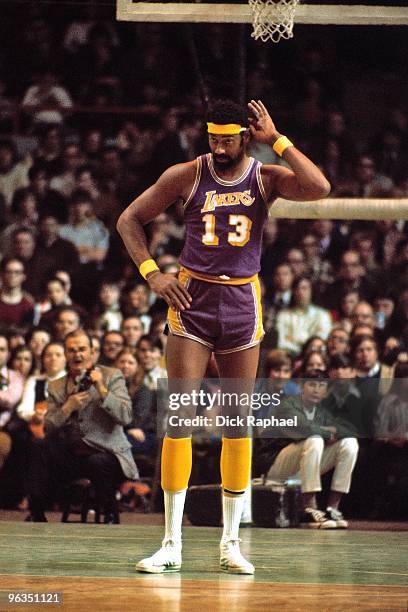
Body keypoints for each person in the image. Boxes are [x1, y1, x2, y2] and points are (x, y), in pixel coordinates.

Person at [117, 98, 330, 574]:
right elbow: (129, 219)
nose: (218, 146)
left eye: (227, 139)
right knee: (180, 417)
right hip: (192, 299)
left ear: (243, 136)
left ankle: (230, 543)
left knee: (238, 422)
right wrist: (153, 273)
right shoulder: (187, 174)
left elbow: (319, 186)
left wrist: (277, 139)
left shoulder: (265, 175)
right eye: (212, 138)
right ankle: (171, 542)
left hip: (240, 302)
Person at [26, 329, 138, 522]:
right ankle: (37, 513)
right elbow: (49, 427)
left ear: (92, 352)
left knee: (97, 462)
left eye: (82, 349)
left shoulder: (112, 376)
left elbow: (126, 417)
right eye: (71, 350)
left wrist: (102, 389)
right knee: (39, 447)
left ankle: (109, 510)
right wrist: (67, 408)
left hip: (108, 453)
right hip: (74, 456)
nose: (77, 354)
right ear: (66, 354)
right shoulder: (56, 385)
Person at [266, 371, 359, 528]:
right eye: (312, 384)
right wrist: (327, 431)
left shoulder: (321, 412)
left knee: (350, 443)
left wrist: (330, 430)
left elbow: (350, 431)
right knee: (315, 439)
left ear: (326, 391)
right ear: (302, 386)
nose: (316, 390)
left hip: (300, 468)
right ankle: (309, 510)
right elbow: (305, 428)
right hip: (274, 467)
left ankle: (332, 509)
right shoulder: (287, 405)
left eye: (321, 386)